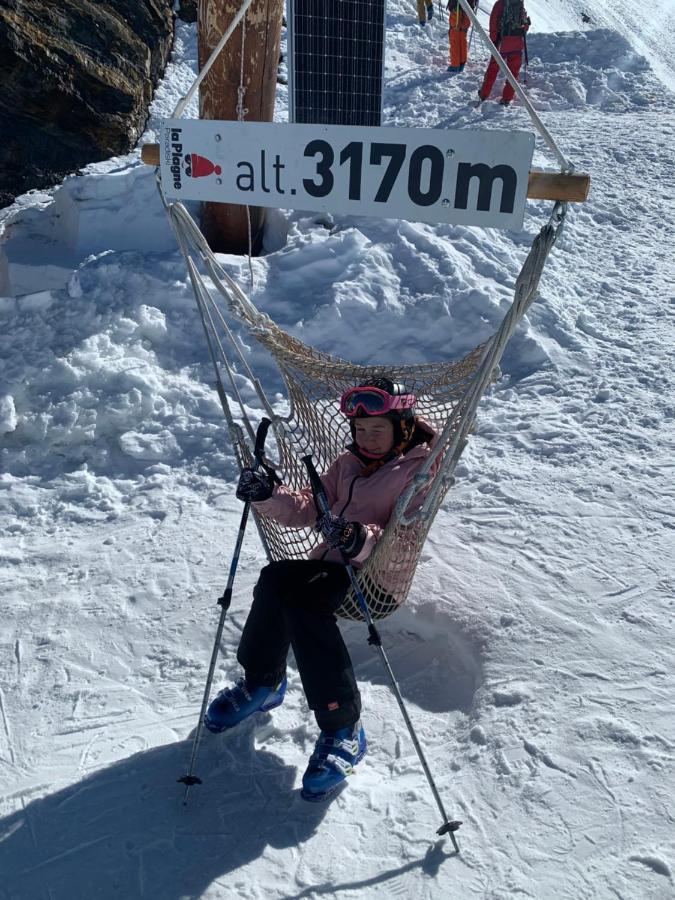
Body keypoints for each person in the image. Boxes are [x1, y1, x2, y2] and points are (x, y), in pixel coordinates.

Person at [204, 378, 438, 802]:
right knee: (276, 578)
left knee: (305, 601)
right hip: (330, 567)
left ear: (402, 427)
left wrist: (355, 538)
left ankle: (343, 728)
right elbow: (312, 507)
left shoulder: (419, 473)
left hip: (377, 580)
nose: (366, 439)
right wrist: (268, 495)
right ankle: (262, 682)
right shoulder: (348, 464)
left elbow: (403, 538)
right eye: (360, 430)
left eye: (377, 430)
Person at [477, 0, 530, 106]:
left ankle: (484, 94)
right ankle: (507, 98)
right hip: (517, 44)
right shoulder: (520, 4)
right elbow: (525, 27)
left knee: (493, 69)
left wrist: (493, 41)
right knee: (513, 72)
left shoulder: (500, 3)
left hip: (502, 43)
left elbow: (493, 22)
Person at [447, 0, 478, 73]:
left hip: (457, 6)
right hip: (468, 8)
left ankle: (455, 65)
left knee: (455, 36)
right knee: (462, 36)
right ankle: (461, 62)